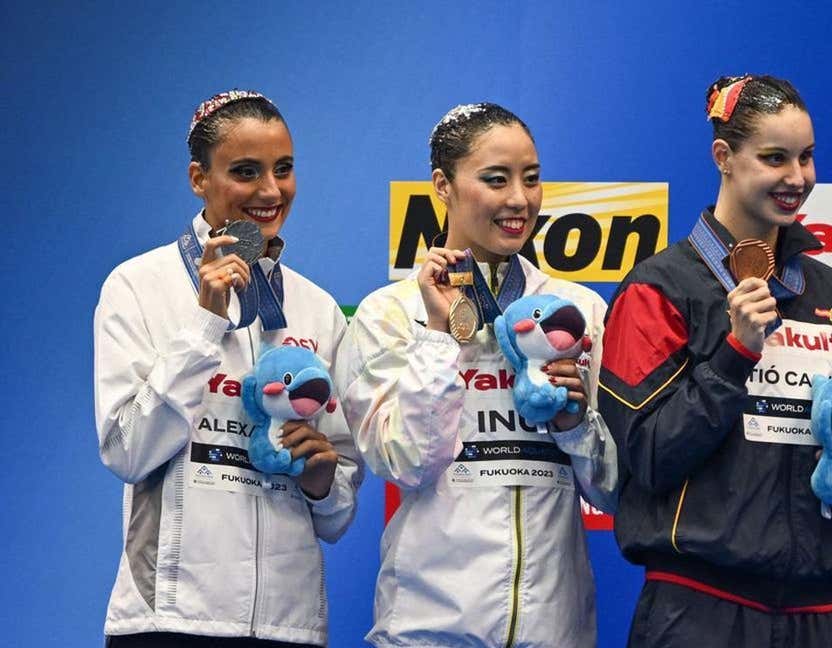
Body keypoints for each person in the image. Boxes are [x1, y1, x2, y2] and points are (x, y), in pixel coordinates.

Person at [597, 75, 832, 647]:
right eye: (774, 158)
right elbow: (647, 458)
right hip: (699, 607)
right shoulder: (659, 289)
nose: (797, 178)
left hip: (814, 606)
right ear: (723, 157)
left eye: (806, 158)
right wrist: (735, 354)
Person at [335, 103, 618, 648]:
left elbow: (613, 493)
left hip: (554, 631)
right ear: (443, 184)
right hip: (427, 630)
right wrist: (439, 338)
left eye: (531, 179)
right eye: (496, 179)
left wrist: (576, 423)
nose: (519, 199)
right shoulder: (388, 312)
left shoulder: (577, 311)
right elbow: (405, 462)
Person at [94, 90, 362, 647]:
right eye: (246, 171)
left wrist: (321, 481)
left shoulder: (318, 309)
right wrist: (204, 323)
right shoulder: (138, 286)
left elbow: (337, 513)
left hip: (289, 625)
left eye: (283, 169)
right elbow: (127, 450)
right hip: (170, 620)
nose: (270, 191)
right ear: (199, 177)